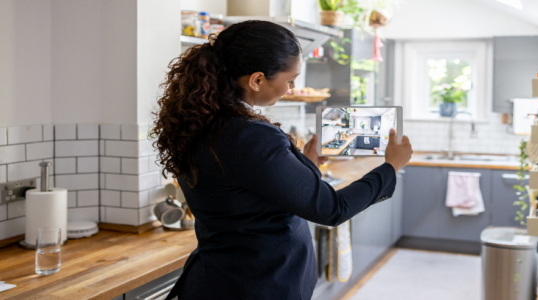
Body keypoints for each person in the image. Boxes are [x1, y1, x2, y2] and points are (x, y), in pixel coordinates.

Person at [152, 21, 413, 300]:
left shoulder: (202, 122)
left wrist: (308, 166)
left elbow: (251, 192)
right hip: (257, 286)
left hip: (219, 279)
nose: (290, 88)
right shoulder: (251, 135)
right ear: (257, 79)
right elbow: (333, 209)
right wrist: (390, 167)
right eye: (289, 80)